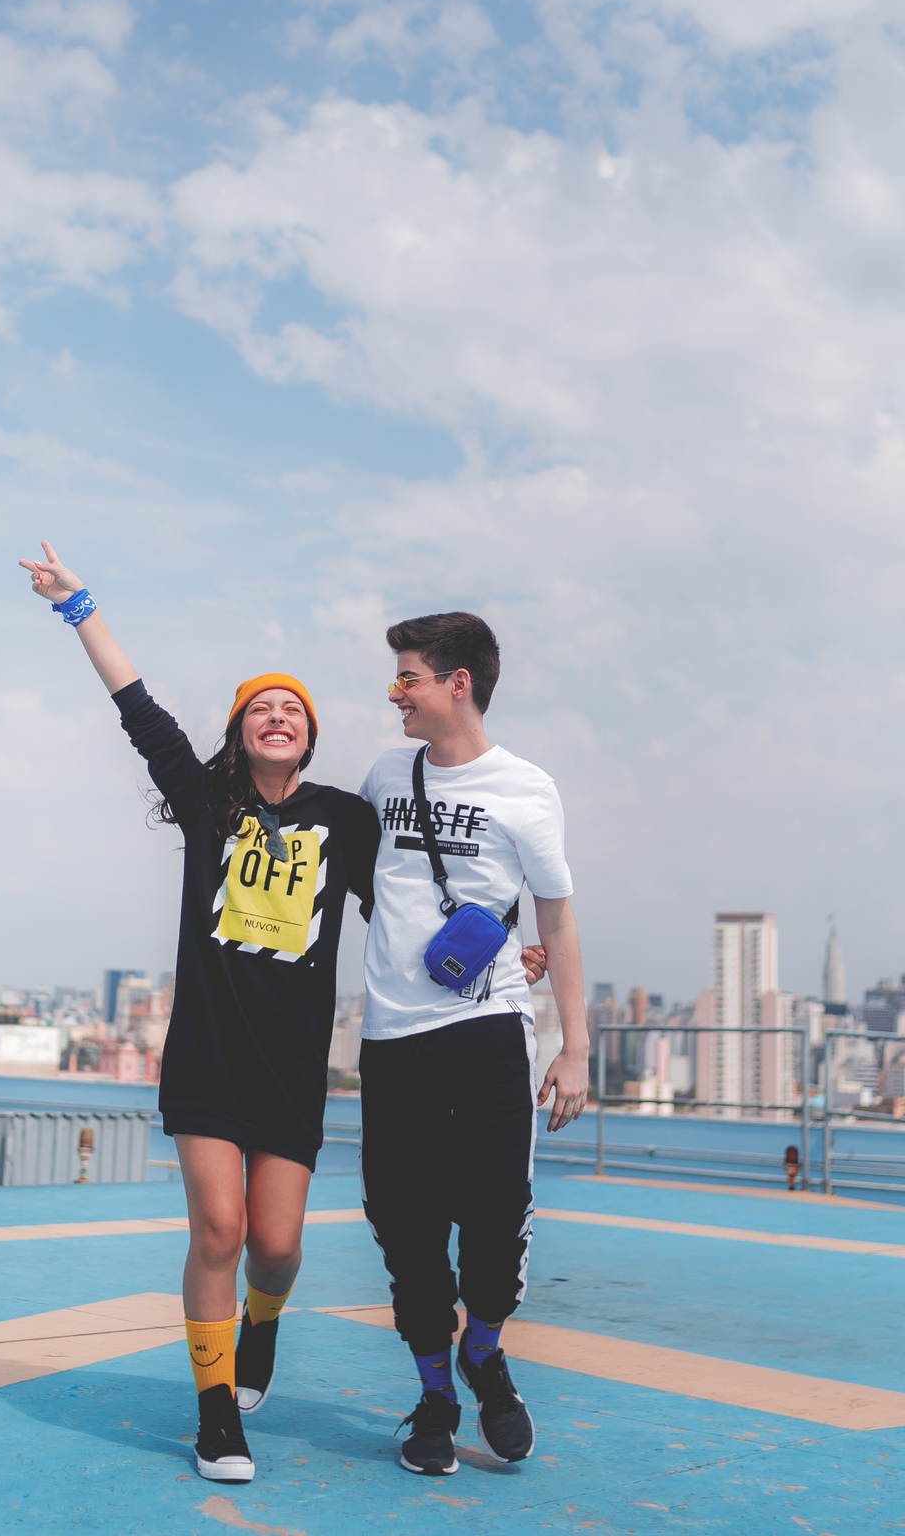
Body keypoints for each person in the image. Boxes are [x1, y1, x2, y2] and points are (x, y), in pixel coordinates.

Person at [17, 542, 383, 1485]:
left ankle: (263, 1323)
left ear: (309, 736)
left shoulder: (348, 820)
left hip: (292, 1064)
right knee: (219, 1230)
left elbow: (411, 905)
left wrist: (504, 945)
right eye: (261, 707)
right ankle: (216, 1415)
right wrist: (77, 605)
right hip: (210, 1055)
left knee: (278, 1247)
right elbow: (136, 707)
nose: (277, 716)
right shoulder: (205, 799)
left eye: (292, 709)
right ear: (238, 731)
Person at [357, 611, 589, 1478]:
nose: (395, 695)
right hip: (392, 1035)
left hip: (489, 1028)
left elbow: (557, 921)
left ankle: (483, 1352)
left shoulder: (527, 788)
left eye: (407, 678)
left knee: (495, 1215)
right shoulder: (387, 775)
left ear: (458, 683)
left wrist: (575, 1046)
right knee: (405, 1226)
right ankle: (435, 1397)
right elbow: (364, 883)